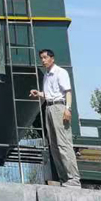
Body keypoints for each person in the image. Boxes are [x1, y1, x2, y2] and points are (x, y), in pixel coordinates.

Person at [30, 48, 81, 187]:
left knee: (64, 144)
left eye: (45, 57)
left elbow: (68, 91)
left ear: (52, 58)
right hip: (48, 107)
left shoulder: (60, 72)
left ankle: (73, 179)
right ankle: (64, 178)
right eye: (41, 58)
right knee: (53, 145)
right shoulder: (47, 75)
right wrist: (39, 93)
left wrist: (68, 109)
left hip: (59, 107)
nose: (43, 60)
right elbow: (49, 94)